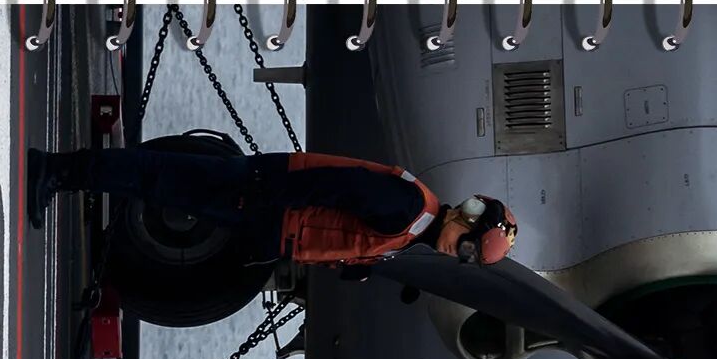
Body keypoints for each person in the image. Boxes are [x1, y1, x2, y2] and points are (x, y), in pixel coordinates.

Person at [27, 142, 518, 268]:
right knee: (160, 177)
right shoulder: (408, 208)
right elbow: (333, 185)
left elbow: (346, 227)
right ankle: (58, 170)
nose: (459, 253)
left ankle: (64, 174)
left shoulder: (414, 225)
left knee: (162, 184)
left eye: (467, 257)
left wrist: (359, 265)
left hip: (271, 204)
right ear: (466, 216)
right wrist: (268, 201)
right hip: (268, 195)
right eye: (467, 245)